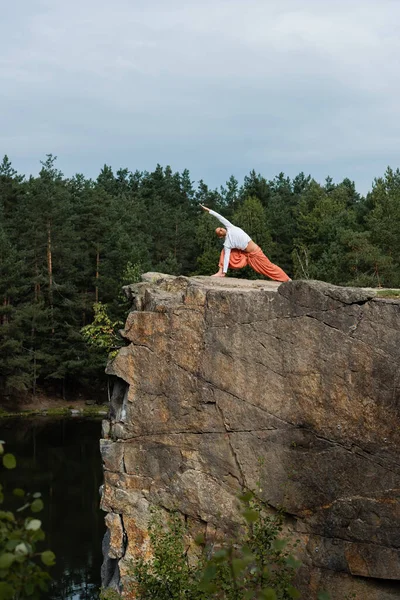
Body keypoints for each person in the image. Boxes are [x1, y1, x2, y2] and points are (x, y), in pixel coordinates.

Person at [200, 205, 291, 281]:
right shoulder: (227, 244)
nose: (221, 229)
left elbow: (219, 217)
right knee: (224, 252)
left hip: (255, 252)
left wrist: (208, 210)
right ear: (220, 236)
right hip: (245, 254)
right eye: (219, 231)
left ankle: (287, 279)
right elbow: (226, 258)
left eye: (220, 228)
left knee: (268, 267)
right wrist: (224, 272)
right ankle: (220, 272)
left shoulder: (230, 227)